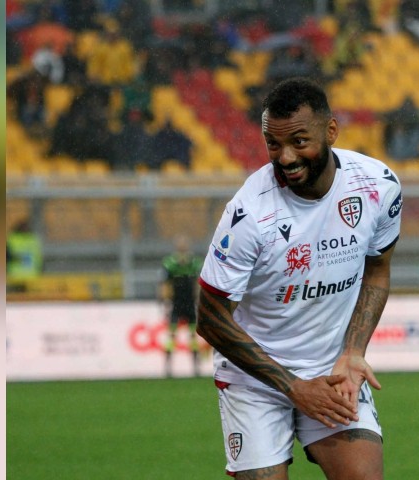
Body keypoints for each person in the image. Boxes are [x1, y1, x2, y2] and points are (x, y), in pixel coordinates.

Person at [196, 77, 402, 479]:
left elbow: (378, 267)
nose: (286, 157)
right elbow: (210, 318)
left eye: (299, 141)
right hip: (255, 379)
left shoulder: (378, 186)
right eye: (273, 144)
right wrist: (292, 387)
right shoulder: (249, 214)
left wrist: (354, 350)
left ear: (331, 132)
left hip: (331, 369)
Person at [160, 235, 204, 377]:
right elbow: (165, 284)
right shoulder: (170, 263)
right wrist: (165, 300)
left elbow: (198, 284)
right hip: (177, 303)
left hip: (189, 303)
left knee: (192, 335)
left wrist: (199, 300)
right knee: (172, 335)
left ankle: (196, 368)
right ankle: (168, 368)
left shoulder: (194, 262)